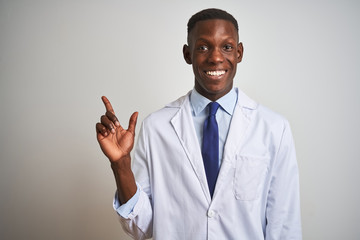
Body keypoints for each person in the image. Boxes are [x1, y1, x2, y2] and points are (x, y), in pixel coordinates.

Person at [96, 8, 302, 240]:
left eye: (227, 47)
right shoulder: (156, 127)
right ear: (187, 54)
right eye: (203, 47)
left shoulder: (274, 128)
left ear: (240, 52)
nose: (215, 57)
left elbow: (284, 225)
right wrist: (121, 164)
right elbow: (142, 227)